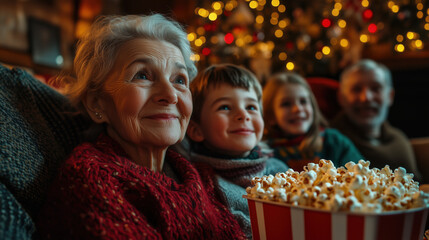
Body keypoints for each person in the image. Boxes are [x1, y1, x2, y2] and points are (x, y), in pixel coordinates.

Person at [36, 14, 246, 239]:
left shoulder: (194, 173)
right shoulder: (90, 181)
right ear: (97, 104)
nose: (170, 95)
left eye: (179, 80)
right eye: (142, 75)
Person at [185, 64, 289, 239]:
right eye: (225, 107)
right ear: (197, 130)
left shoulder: (279, 170)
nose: (243, 115)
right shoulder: (201, 182)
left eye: (251, 107)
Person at [331, 59, 423, 181]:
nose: (366, 98)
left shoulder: (400, 141)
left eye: (375, 88)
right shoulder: (331, 143)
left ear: (390, 96)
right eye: (357, 89)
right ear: (341, 97)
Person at [262, 72, 363, 171]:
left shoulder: (334, 141)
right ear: (271, 116)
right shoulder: (266, 152)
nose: (297, 109)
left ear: (313, 107)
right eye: (286, 104)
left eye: (303, 101)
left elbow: (361, 173)